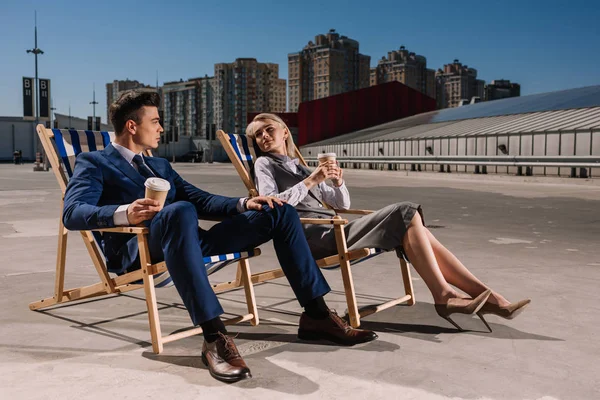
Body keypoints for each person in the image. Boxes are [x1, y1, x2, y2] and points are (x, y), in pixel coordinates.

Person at [62, 91, 377, 384]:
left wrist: (245, 203)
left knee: (279, 210)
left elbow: (200, 199)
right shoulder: (95, 163)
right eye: (155, 121)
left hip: (191, 244)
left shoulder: (159, 164)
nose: (161, 128)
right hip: (141, 249)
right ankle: (214, 337)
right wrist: (124, 212)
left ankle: (316, 315)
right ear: (132, 126)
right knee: (180, 209)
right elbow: (73, 212)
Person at [246, 113, 530, 332]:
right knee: (406, 212)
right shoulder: (264, 165)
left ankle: (484, 298)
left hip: (335, 229)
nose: (263, 137)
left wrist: (337, 181)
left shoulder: (300, 165)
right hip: (311, 238)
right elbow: (273, 205)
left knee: (413, 225)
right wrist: (312, 180)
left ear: (285, 132)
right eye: (258, 135)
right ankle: (453, 297)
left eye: (269, 129)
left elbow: (340, 204)